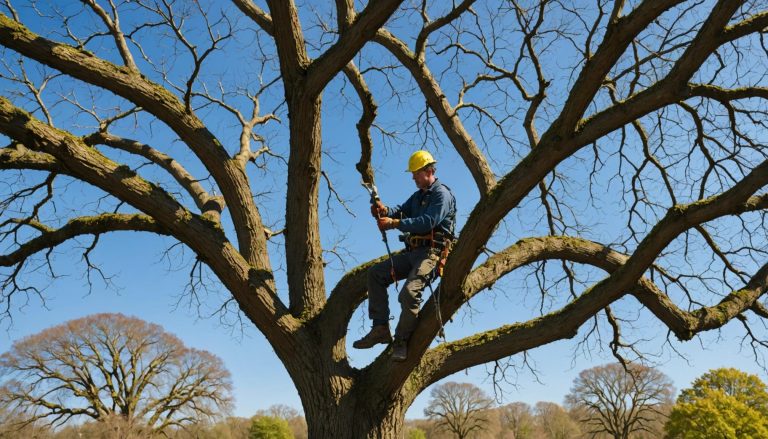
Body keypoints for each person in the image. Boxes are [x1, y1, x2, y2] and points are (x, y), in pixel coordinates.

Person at [353, 150, 457, 361]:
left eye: (416, 173)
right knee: (376, 274)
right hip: (413, 253)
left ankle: (401, 341)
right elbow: (401, 210)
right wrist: (385, 211)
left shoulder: (441, 195)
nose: (413, 177)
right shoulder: (419, 196)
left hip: (432, 254)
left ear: (429, 171)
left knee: (409, 294)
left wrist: (395, 224)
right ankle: (380, 327)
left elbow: (428, 221)